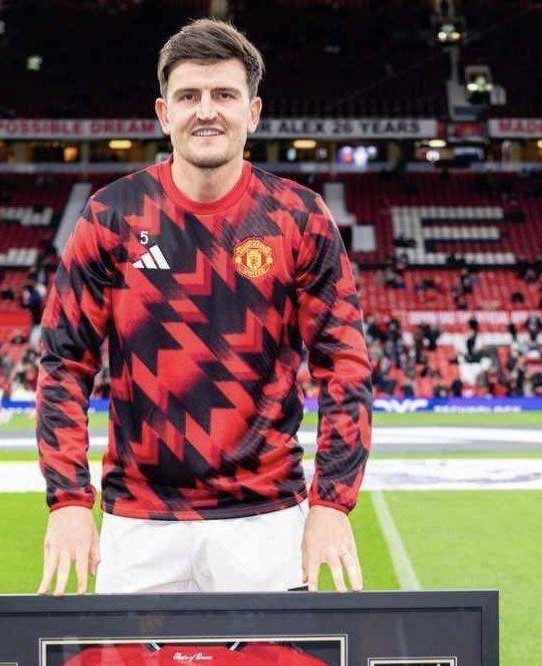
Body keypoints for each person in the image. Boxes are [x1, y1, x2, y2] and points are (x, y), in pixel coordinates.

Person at [35, 19, 372, 596]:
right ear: (164, 113)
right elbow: (64, 364)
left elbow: (344, 366)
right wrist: (68, 499)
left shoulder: (300, 218)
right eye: (189, 96)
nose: (207, 111)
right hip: (138, 522)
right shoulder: (112, 216)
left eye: (224, 95)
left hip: (266, 520)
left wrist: (332, 504)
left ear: (254, 112)